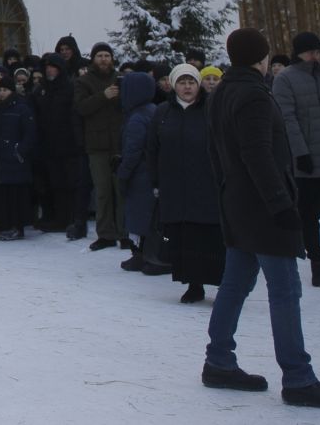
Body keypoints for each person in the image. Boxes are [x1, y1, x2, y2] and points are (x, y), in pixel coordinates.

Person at [201, 29, 320, 408]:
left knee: (235, 285)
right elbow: (257, 154)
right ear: (262, 58)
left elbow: (217, 152)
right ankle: (298, 378)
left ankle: (218, 360)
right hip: (262, 208)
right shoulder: (252, 93)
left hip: (238, 202)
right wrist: (281, 204)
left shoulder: (222, 92)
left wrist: (228, 194)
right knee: (285, 291)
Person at [272, 32, 320, 287]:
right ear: (299, 53)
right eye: (310, 51)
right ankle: (317, 263)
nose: (315, 56)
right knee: (309, 216)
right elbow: (287, 119)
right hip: (308, 162)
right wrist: (300, 153)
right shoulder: (285, 80)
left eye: (318, 51)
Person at [148, 64, 223, 303]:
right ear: (173, 85)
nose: (187, 87)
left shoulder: (212, 108)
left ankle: (223, 285)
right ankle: (193, 284)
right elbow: (152, 149)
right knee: (183, 238)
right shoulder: (162, 112)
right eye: (182, 82)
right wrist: (155, 181)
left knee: (209, 237)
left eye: (191, 82)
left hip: (207, 184)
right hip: (175, 186)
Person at [75, 42, 124, 249]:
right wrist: (103, 96)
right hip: (97, 145)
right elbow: (81, 107)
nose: (104, 59)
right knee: (103, 192)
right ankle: (105, 234)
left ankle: (125, 233)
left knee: (121, 191)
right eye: (100, 56)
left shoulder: (120, 79)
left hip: (119, 142)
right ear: (93, 59)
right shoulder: (84, 81)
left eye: (107, 55)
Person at [116, 69, 165, 274]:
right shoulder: (153, 110)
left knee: (140, 216)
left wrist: (123, 173)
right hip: (152, 173)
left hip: (140, 175)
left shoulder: (137, 118)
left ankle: (143, 255)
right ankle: (146, 254)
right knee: (150, 217)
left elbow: (132, 151)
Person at [33, 53, 84, 234]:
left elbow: (76, 116)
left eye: (53, 66)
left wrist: (77, 141)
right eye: (46, 67)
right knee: (51, 183)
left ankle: (69, 218)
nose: (49, 70)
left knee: (69, 184)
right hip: (47, 146)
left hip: (68, 145)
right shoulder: (40, 90)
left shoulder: (70, 89)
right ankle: (54, 217)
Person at [0, 76, 36, 239]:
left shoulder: (22, 108)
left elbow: (30, 134)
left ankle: (16, 227)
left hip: (14, 160)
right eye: (0, 90)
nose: (2, 93)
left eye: (5, 90)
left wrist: (19, 151)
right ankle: (0, 224)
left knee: (15, 196)